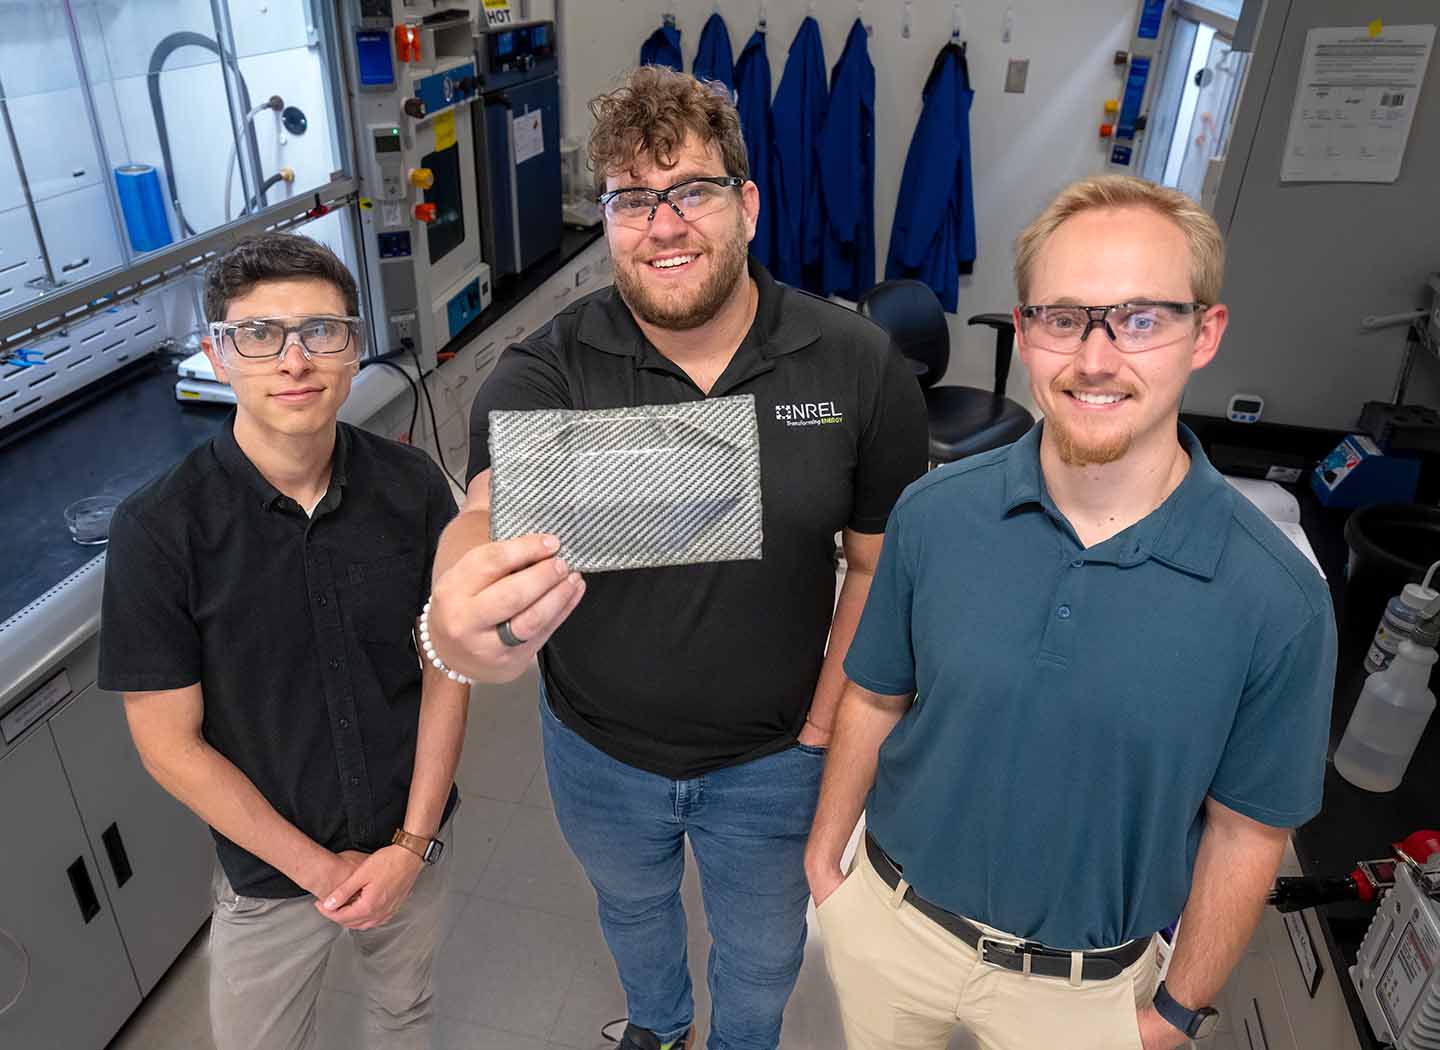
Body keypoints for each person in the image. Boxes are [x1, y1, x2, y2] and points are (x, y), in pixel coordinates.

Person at [424, 66, 927, 1050]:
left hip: (776, 758)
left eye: (690, 190)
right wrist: (454, 602)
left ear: (745, 202)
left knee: (763, 947)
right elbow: (483, 514)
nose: (663, 225)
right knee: (635, 912)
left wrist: (826, 722)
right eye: (630, 200)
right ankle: (658, 1027)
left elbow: (874, 566)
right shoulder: (548, 369)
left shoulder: (853, 363)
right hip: (598, 752)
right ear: (607, 220)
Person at [804, 175, 1337, 1050]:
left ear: (1205, 333)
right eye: (1063, 318)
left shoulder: (1278, 601)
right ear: (1024, 330)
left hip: (1084, 999)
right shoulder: (934, 515)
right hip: (890, 935)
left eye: (1141, 318)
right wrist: (828, 868)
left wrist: (1175, 1012)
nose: (1095, 359)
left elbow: (1248, 834)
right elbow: (874, 695)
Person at [98, 232, 469, 1050]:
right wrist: (320, 871)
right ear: (217, 356)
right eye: (259, 335)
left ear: (354, 348)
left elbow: (447, 669)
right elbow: (169, 746)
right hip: (271, 873)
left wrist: (410, 845)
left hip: (411, 841)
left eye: (320, 331)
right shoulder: (160, 531)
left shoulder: (411, 489)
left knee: (404, 1011)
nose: (293, 359)